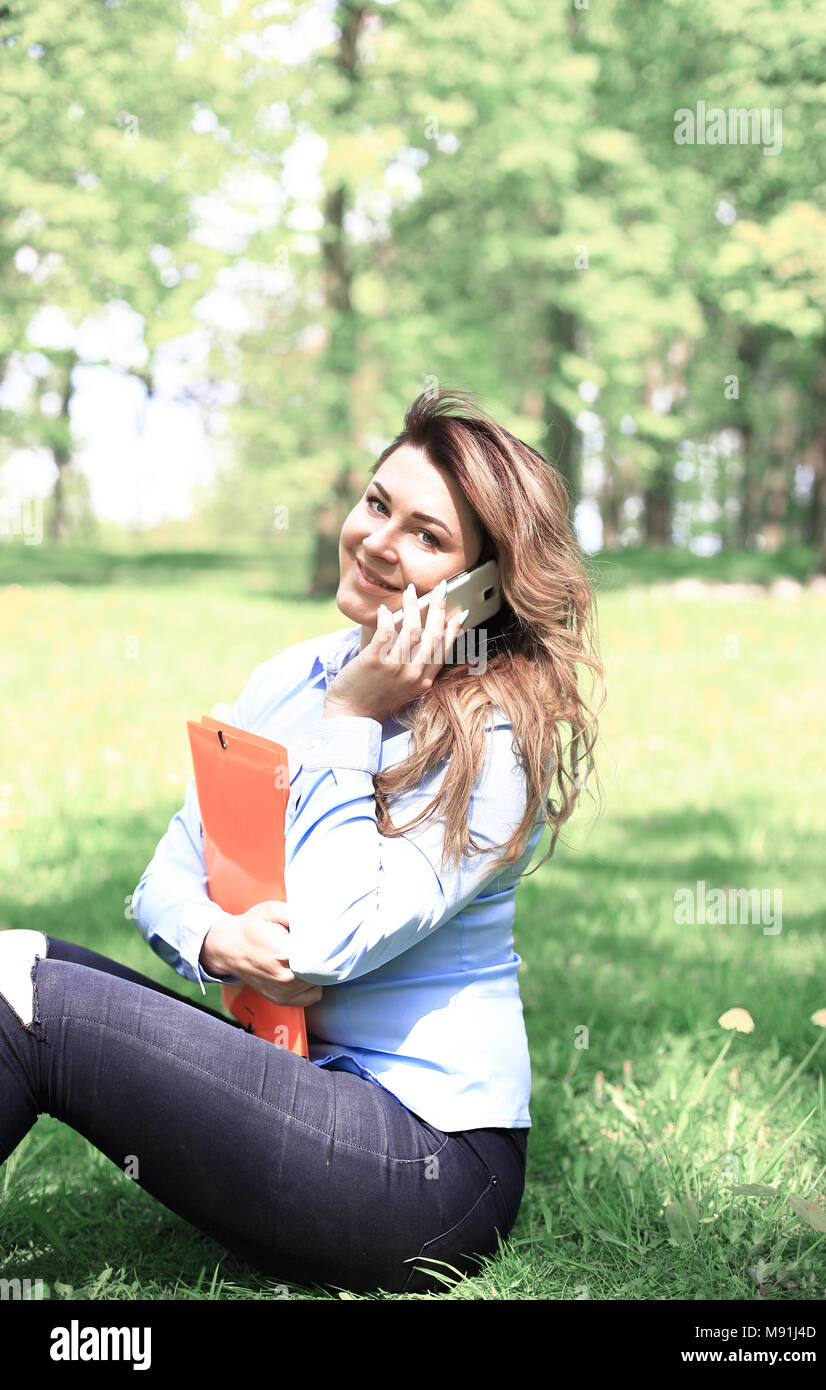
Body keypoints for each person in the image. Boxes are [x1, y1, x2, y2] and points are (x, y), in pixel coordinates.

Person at [0, 388, 603, 1295]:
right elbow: (164, 874)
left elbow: (325, 944)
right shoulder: (293, 675)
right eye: (376, 505)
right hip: (291, 1089)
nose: (378, 542)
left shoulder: (493, 744)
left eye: (428, 536)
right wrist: (210, 938)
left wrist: (351, 720)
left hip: (423, 1173)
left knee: (39, 1007)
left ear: (485, 589)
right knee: (17, 955)